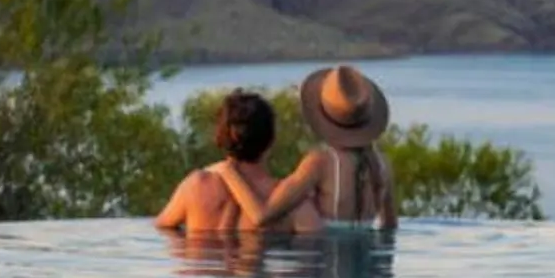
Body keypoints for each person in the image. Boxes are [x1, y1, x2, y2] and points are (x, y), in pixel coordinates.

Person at [251, 64, 398, 231]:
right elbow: (390, 226)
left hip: (327, 252)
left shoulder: (321, 161)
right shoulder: (382, 164)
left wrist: (229, 172)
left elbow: (266, 215)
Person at [154, 87, 309, 235]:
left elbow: (162, 229)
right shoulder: (292, 202)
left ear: (221, 138)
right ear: (272, 140)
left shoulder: (194, 186)